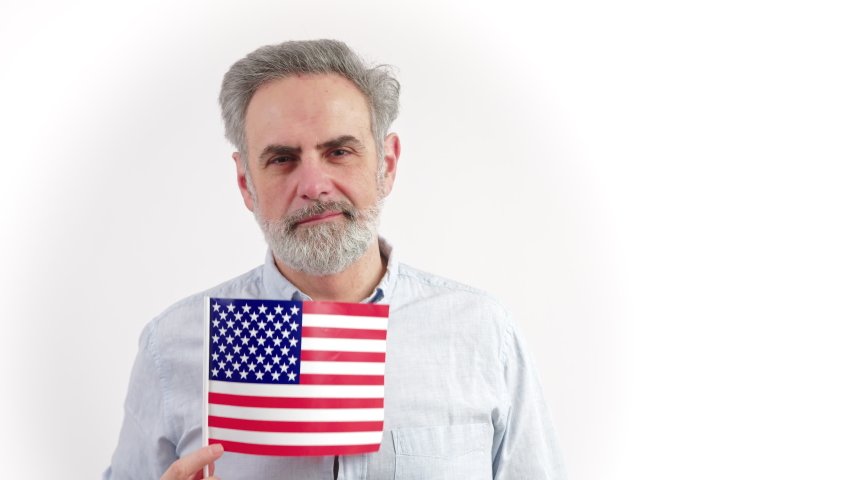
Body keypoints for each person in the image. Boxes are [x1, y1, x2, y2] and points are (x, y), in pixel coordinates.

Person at [104, 39, 567, 480]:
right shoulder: (175, 345)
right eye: (282, 159)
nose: (313, 185)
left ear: (386, 165)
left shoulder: (482, 333)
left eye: (339, 152)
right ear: (246, 183)